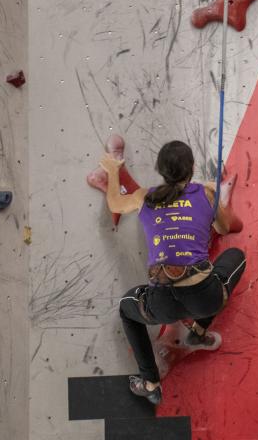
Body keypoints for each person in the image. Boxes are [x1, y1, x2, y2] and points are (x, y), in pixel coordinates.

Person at [89, 136, 246, 405]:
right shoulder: (206, 194)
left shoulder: (144, 197)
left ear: (160, 170)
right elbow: (227, 227)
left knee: (128, 309)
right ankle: (197, 332)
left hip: (162, 305)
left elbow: (115, 203)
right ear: (192, 167)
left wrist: (114, 171)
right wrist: (214, 198)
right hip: (205, 298)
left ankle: (149, 381)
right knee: (236, 258)